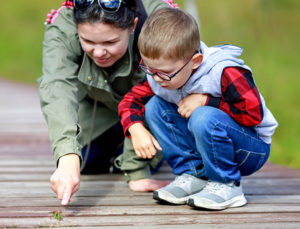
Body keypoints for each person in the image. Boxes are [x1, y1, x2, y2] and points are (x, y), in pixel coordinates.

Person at [118, 7, 278, 210]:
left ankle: (226, 184)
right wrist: (136, 128)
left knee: (203, 116)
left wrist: (207, 101)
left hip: (250, 149)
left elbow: (253, 115)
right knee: (154, 106)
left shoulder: (224, 72)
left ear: (195, 62)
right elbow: (129, 101)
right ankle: (192, 175)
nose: (156, 79)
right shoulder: (161, 74)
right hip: (207, 145)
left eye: (165, 73)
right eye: (149, 69)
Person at [38, 0, 178, 206]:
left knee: (147, 155)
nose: (98, 53)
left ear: (133, 25)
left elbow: (172, 85)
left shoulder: (161, 22)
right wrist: (67, 156)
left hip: (149, 108)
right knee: (85, 162)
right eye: (88, 41)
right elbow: (57, 86)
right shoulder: (63, 24)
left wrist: (136, 169)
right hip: (98, 108)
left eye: (110, 43)